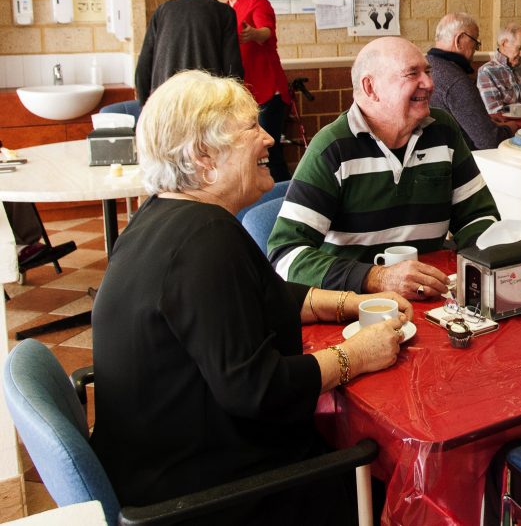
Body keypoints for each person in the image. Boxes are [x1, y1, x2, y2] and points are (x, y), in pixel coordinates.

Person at [90, 71, 411, 525]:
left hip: (160, 467)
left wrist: (349, 301)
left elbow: (263, 295)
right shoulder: (204, 241)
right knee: (387, 476)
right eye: (250, 128)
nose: (269, 137)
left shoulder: (163, 217)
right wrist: (355, 355)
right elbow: (257, 390)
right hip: (209, 497)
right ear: (204, 157)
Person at [267, 37, 500, 299]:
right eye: (413, 74)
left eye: (428, 71)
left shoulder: (442, 131)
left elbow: (479, 217)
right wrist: (376, 278)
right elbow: (284, 255)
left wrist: (479, 267)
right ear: (371, 87)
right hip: (358, 308)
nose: (430, 83)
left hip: (434, 298)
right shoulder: (333, 148)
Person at [215, 0, 293, 182]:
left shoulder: (257, 2)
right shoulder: (225, 9)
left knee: (270, 152)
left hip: (268, 92)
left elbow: (266, 32)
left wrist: (253, 34)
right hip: (244, 94)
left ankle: (286, 201)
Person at [134, 0, 244, 106]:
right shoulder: (224, 13)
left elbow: (143, 70)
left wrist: (146, 109)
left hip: (165, 107)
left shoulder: (163, 10)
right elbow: (233, 73)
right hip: (206, 107)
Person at [427, 13, 516, 149]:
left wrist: (486, 120)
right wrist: (511, 128)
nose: (476, 48)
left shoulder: (429, 67)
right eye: (475, 41)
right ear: (459, 40)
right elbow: (489, 141)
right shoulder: (456, 80)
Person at [477, 22, 521, 114]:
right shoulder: (487, 72)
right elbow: (496, 113)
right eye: (519, 48)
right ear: (504, 43)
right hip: (508, 126)